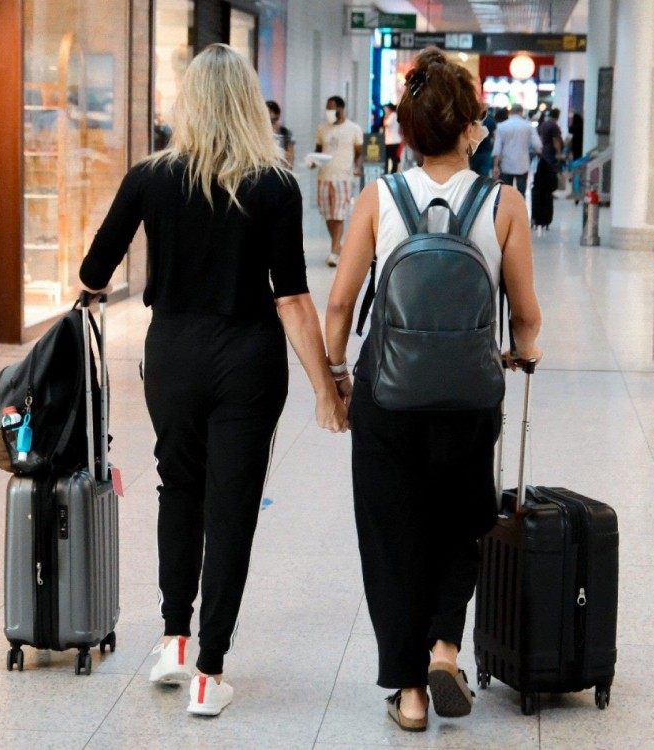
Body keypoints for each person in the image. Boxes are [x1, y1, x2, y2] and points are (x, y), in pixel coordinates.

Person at [78, 43, 349, 717]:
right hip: (248, 359)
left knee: (179, 491)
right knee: (231, 513)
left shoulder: (151, 177)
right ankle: (209, 671)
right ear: (250, 105)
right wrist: (325, 388)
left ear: (188, 103)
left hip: (172, 354)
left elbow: (93, 273)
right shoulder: (276, 184)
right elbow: (291, 297)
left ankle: (173, 638)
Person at [324, 48, 543, 732]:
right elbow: (528, 315)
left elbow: (340, 305)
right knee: (462, 522)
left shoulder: (379, 198)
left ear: (408, 131)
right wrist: (521, 351)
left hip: (387, 396)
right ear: (471, 126)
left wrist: (335, 378)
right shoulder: (503, 203)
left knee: (392, 538)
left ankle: (409, 693)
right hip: (469, 399)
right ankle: (446, 645)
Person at [313, 95, 364, 267]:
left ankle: (334, 251)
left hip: (343, 178)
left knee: (339, 214)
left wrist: (357, 167)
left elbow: (359, 152)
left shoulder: (353, 129)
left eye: (332, 108)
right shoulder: (322, 129)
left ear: (341, 109)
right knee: (328, 215)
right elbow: (318, 151)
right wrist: (313, 161)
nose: (329, 112)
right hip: (324, 177)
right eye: (327, 108)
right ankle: (337, 245)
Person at [491, 102, 540, 199]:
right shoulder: (528, 126)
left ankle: (507, 212)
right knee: (521, 193)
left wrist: (496, 166)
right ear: (521, 112)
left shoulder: (502, 126)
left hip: (506, 165)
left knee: (506, 194)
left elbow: (497, 148)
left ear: (510, 112)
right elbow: (537, 145)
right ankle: (520, 212)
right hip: (523, 164)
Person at [532, 107, 564, 233]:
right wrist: (559, 153)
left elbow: (539, 138)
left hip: (543, 154)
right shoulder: (554, 126)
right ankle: (545, 214)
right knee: (549, 181)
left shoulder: (544, 124)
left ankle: (537, 217)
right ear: (558, 115)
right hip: (551, 154)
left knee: (540, 182)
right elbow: (556, 140)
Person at [467, 106, 497, 176]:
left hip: (473, 152)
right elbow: (495, 137)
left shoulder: (471, 120)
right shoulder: (491, 121)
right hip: (486, 151)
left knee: (472, 174)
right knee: (484, 175)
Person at [266, 99, 295, 167]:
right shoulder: (259, 134)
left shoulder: (286, 132)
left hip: (281, 168)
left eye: (274, 121)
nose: (272, 125)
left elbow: (291, 155)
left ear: (278, 116)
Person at [383, 103, 402, 174]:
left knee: (392, 158)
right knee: (391, 158)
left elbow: (386, 124)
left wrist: (386, 117)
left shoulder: (393, 115)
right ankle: (391, 172)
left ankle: (392, 172)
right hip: (392, 141)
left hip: (392, 141)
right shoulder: (394, 115)